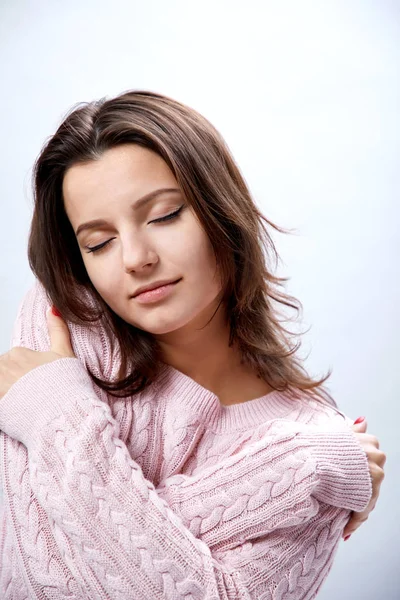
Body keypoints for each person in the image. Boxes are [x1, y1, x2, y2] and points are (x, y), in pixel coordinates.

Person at [0, 90, 385, 599]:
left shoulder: (312, 432)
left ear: (221, 210)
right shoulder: (68, 320)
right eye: (98, 242)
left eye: (163, 216)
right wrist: (295, 469)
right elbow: (32, 578)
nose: (136, 258)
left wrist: (54, 419)